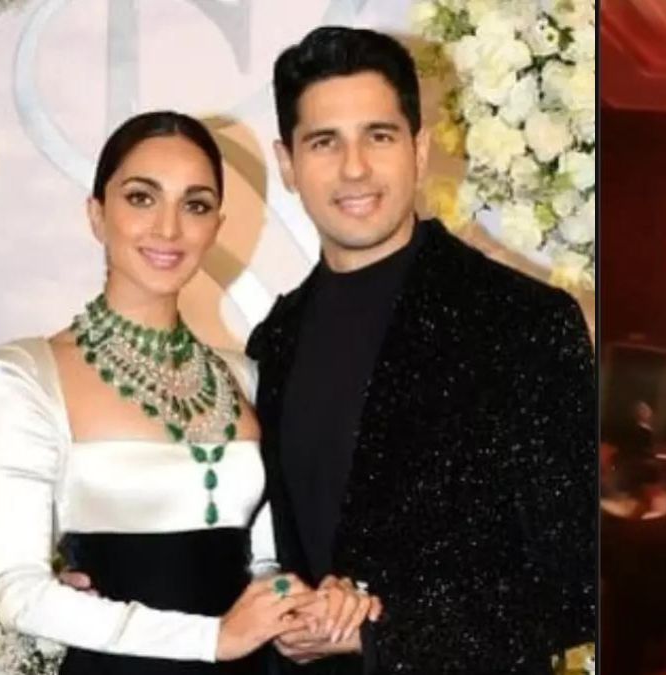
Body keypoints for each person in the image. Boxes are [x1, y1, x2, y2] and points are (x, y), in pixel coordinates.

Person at [245, 26, 595, 672]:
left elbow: (578, 583)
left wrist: (381, 633)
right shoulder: (276, 337)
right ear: (288, 163)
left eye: (378, 136)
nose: (354, 167)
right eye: (325, 142)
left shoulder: (524, 323)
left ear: (419, 147)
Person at [0, 111, 369, 673]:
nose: (168, 229)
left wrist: (295, 600)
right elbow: (19, 592)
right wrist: (212, 637)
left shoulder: (246, 376)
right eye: (141, 198)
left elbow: (264, 560)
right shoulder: (26, 376)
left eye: (194, 205)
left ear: (216, 225)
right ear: (97, 213)